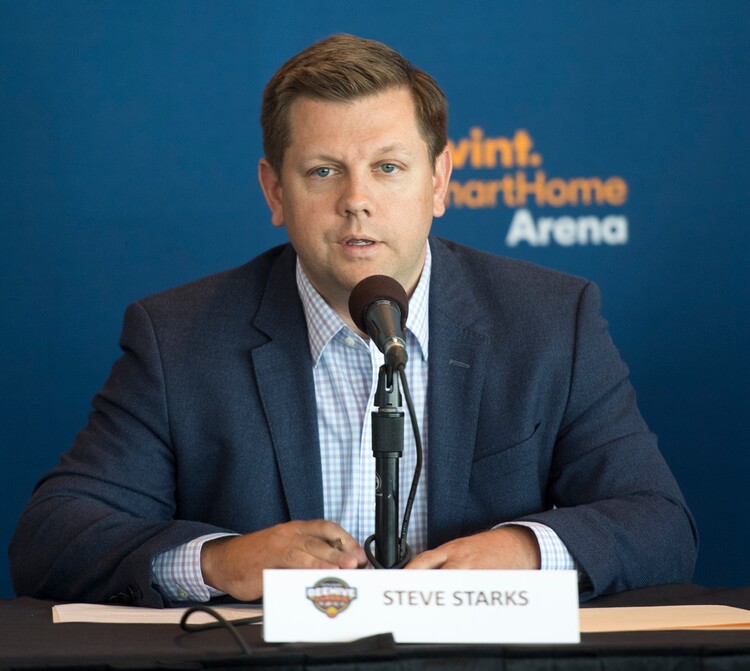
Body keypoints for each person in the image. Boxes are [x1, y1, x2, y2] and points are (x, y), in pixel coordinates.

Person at [10, 34, 697, 608]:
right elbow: (51, 537)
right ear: (274, 191)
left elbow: (659, 523)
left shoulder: (548, 321)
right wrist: (219, 561)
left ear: (439, 181)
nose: (356, 200)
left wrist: (524, 551)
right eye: (322, 172)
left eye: (388, 167)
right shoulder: (179, 338)